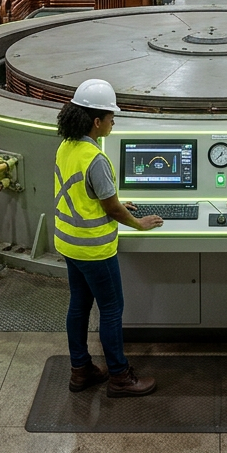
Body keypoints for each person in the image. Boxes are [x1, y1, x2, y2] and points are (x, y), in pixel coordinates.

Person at [54, 78, 163, 397]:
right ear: (96, 121)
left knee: (78, 306)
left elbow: (87, 195)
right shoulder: (96, 159)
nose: (114, 120)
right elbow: (113, 208)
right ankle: (120, 377)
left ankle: (80, 370)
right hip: (95, 250)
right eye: (110, 116)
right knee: (112, 310)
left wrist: (112, 201)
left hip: (69, 243)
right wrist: (139, 223)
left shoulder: (67, 145)